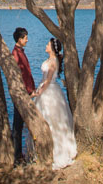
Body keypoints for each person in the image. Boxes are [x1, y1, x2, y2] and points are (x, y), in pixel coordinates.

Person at [32, 37, 77, 169]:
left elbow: (49, 79)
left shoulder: (53, 62)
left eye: (48, 44)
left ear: (52, 48)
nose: (46, 45)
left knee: (52, 121)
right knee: (45, 119)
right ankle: (42, 151)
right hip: (45, 88)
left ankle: (56, 152)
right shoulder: (50, 60)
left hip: (49, 91)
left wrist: (39, 92)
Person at [11, 27, 36, 164]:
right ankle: (17, 157)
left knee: (20, 125)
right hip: (21, 95)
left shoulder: (20, 52)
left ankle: (20, 154)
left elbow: (27, 73)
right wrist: (27, 91)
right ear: (20, 39)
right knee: (18, 126)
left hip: (26, 93)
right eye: (25, 37)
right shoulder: (16, 54)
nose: (27, 40)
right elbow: (19, 76)